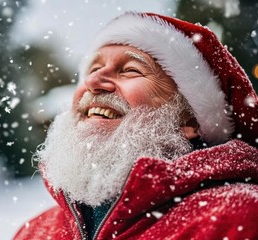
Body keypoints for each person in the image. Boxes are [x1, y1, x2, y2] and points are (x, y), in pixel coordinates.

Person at [14, 12, 258, 240]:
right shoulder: (35, 232)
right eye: (94, 68)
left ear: (190, 121)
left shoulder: (236, 219)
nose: (93, 81)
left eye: (131, 70)